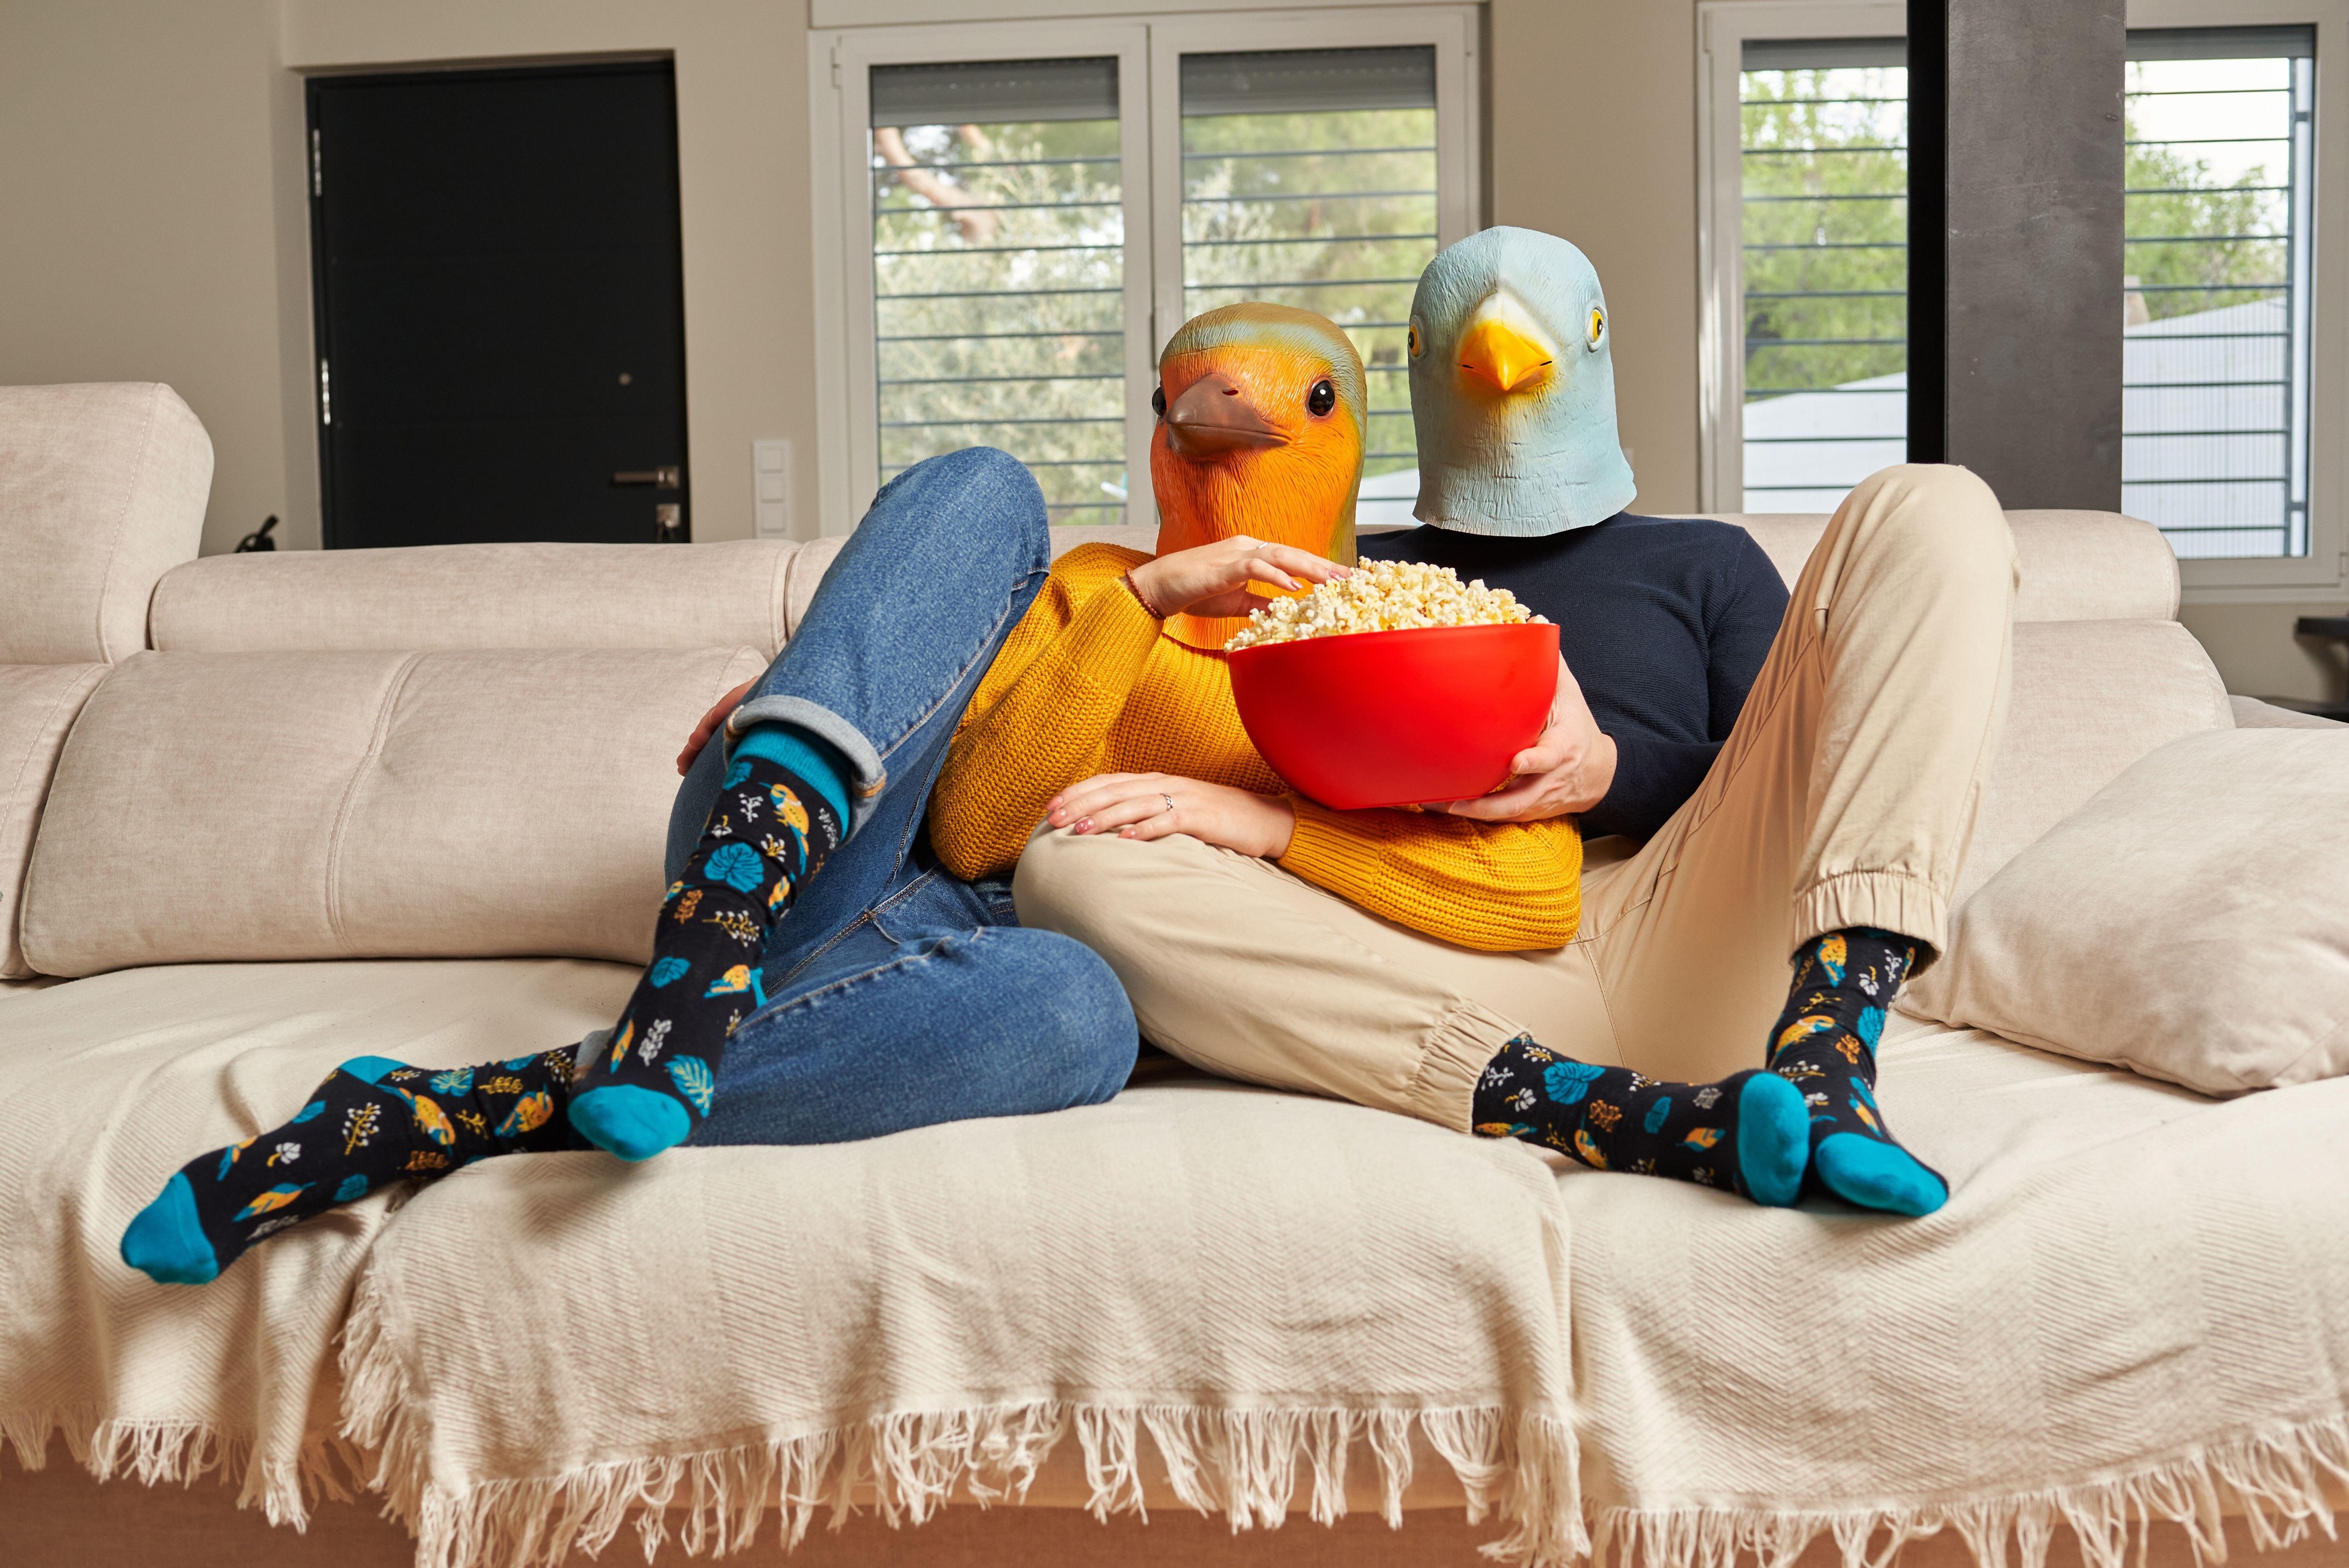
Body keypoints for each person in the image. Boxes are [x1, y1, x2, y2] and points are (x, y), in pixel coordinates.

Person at [119, 303, 1435, 1285]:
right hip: (809, 848)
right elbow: (973, 814)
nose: (1214, 431)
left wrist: (1265, 819)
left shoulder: (1392, 635)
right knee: (980, 482)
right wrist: (829, 681)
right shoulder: (1088, 579)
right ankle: (729, 897)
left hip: (982, 957)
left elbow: (1493, 881)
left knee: (1085, 1019)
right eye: (1179, 406)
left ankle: (440, 1107)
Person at [1015, 228, 2016, 1216]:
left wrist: (1609, 771)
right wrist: (1261, 811)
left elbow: (1813, 773)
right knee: (1069, 863)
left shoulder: (1705, 563)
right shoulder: (1330, 576)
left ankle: (1829, 1052)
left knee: (1935, 503)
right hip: (1443, 961)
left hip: (1687, 918)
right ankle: (1617, 1114)